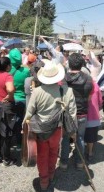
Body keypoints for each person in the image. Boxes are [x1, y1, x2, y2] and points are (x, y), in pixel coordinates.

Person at [23, 60, 77, 191]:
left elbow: (29, 112)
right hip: (58, 129)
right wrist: (72, 132)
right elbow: (72, 113)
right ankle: (51, 174)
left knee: (42, 155)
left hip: (40, 129)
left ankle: (44, 181)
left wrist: (24, 126)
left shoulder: (37, 91)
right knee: (54, 152)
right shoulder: (67, 90)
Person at [60, 53, 93, 171]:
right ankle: (79, 163)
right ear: (82, 64)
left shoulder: (63, 79)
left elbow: (61, 96)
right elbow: (89, 97)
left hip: (67, 114)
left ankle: (63, 163)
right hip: (82, 113)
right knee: (80, 138)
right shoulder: (89, 78)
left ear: (69, 64)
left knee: (65, 138)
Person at [8, 48, 30, 151]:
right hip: (22, 99)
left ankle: (9, 142)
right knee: (19, 120)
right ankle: (19, 143)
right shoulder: (26, 71)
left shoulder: (7, 70)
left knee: (9, 120)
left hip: (10, 98)